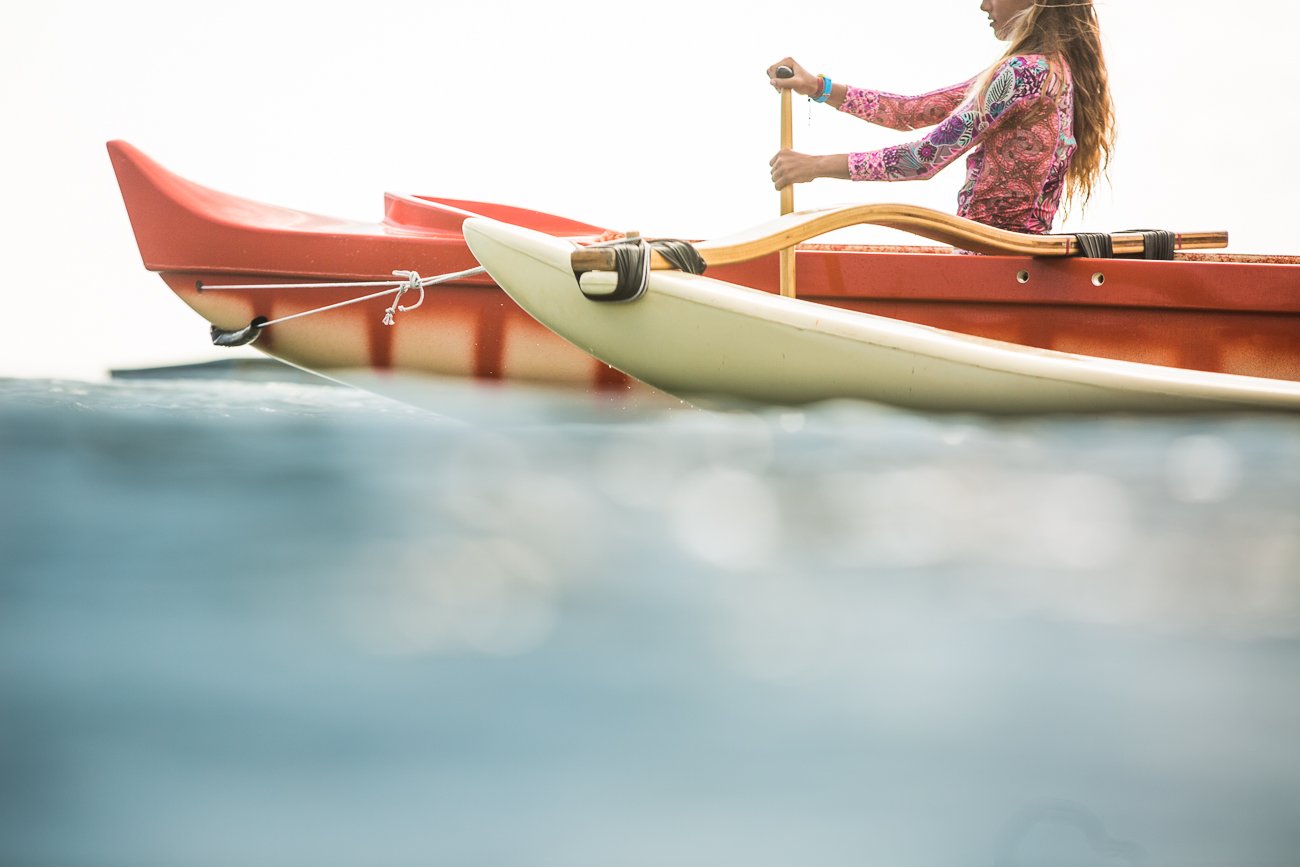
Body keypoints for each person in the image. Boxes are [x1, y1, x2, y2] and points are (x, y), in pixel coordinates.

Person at [767, 0, 1115, 235]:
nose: (983, 5)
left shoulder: (1023, 73)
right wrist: (816, 86)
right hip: (1014, 257)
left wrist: (814, 166)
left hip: (994, 261)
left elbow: (922, 159)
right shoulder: (1050, 70)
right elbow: (914, 110)